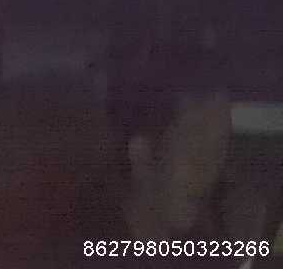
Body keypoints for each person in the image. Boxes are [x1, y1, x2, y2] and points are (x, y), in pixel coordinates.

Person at [43, 46, 236, 268]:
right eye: (194, 150)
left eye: (219, 148)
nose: (209, 171)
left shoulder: (205, 253)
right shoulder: (78, 252)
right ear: (142, 155)